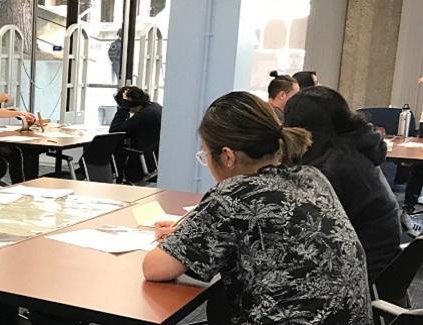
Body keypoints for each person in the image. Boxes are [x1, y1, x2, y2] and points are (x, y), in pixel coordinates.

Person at [142, 91, 371, 324]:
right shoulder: (311, 176)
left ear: (228, 156)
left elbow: (154, 268)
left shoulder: (233, 195)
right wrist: (191, 235)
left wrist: (184, 238)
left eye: (205, 155)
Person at [283, 86, 401, 282]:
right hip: (380, 266)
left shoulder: (334, 166)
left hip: (358, 277)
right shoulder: (353, 147)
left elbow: (300, 226)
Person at [109, 86, 162, 183]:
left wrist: (124, 108)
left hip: (140, 164)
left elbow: (114, 131)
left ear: (129, 103)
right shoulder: (155, 107)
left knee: (112, 148)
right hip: (154, 159)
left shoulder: (143, 116)